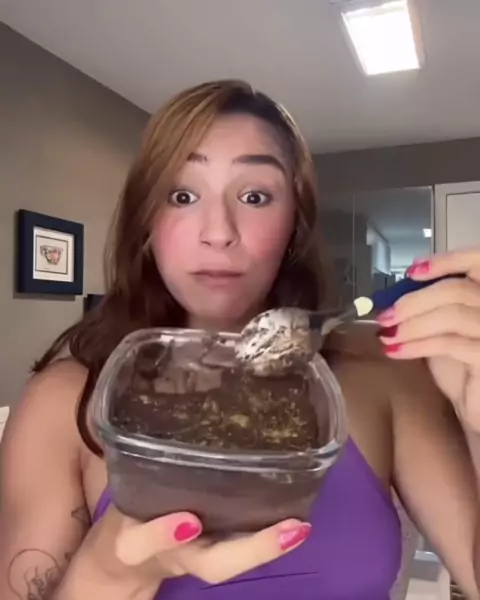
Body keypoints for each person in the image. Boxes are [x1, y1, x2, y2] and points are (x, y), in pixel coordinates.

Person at [1, 80, 480, 600]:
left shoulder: (383, 372)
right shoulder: (62, 402)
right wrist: (112, 571)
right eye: (182, 195)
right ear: (146, 223)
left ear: (294, 223)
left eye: (254, 196)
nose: (219, 231)